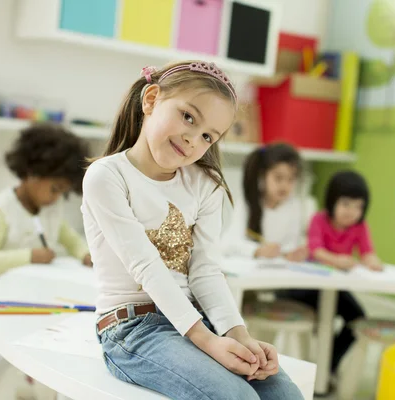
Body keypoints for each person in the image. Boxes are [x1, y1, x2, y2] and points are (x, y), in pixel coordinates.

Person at [82, 61, 304, 400]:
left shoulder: (205, 185)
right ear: (151, 99)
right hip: (131, 329)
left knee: (284, 395)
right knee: (237, 397)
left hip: (193, 318)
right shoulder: (107, 177)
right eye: (188, 116)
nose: (192, 138)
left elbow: (205, 270)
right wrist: (207, 341)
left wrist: (238, 334)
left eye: (207, 136)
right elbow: (146, 266)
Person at [0, 124, 91, 400]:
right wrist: (29, 256)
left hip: (20, 288)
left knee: (63, 315)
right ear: (31, 174)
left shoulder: (49, 208)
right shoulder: (1, 211)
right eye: (54, 189)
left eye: (63, 192)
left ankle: (32, 369)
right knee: (31, 327)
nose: (57, 198)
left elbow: (68, 236)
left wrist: (84, 253)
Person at [283, 170, 382, 390]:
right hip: (309, 287)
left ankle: (328, 366)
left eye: (359, 207)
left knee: (357, 319)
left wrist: (372, 261)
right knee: (320, 321)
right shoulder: (319, 219)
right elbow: (316, 250)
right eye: (346, 204)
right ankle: (315, 370)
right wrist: (338, 260)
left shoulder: (360, 227)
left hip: (335, 290)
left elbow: (367, 252)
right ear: (332, 201)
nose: (352, 212)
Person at [223, 142, 315, 261]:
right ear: (263, 175)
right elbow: (228, 242)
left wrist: (291, 253)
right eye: (278, 178)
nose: (284, 185)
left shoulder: (294, 206)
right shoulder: (247, 203)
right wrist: (258, 250)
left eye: (291, 179)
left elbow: (291, 243)